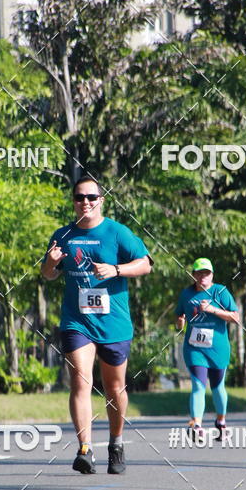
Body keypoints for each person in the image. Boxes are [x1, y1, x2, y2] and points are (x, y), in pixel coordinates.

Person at [42, 176, 152, 474]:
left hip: (114, 323)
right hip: (77, 322)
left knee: (114, 388)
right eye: (80, 197)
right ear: (73, 201)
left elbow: (145, 264)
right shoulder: (63, 235)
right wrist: (51, 263)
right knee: (80, 380)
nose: (86, 202)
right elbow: (48, 274)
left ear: (101, 200)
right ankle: (85, 449)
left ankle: (116, 443)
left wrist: (116, 269)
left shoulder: (117, 232)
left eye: (91, 197)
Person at [175, 258, 239, 439]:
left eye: (206, 273)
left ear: (212, 275)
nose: (203, 276)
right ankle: (196, 424)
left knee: (218, 387)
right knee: (198, 385)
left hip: (218, 349)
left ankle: (221, 421)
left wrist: (212, 310)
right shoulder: (186, 294)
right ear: (193, 275)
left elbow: (235, 318)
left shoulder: (221, 292)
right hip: (195, 348)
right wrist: (180, 323)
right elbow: (178, 317)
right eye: (199, 273)